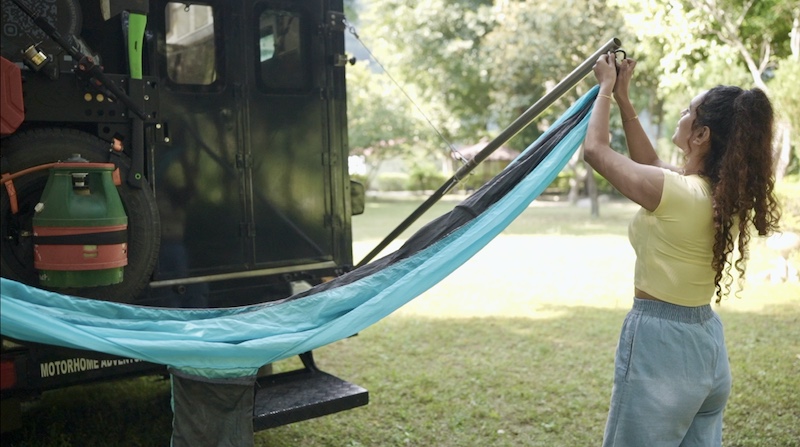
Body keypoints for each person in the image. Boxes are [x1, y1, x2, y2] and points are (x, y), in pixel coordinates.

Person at [582, 52, 781, 447]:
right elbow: (651, 162)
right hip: (705, 347)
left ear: (702, 134)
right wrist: (623, 98)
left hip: (661, 348)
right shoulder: (721, 197)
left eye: (689, 111)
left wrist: (604, 88)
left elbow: (596, 153)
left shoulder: (678, 193)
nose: (681, 113)